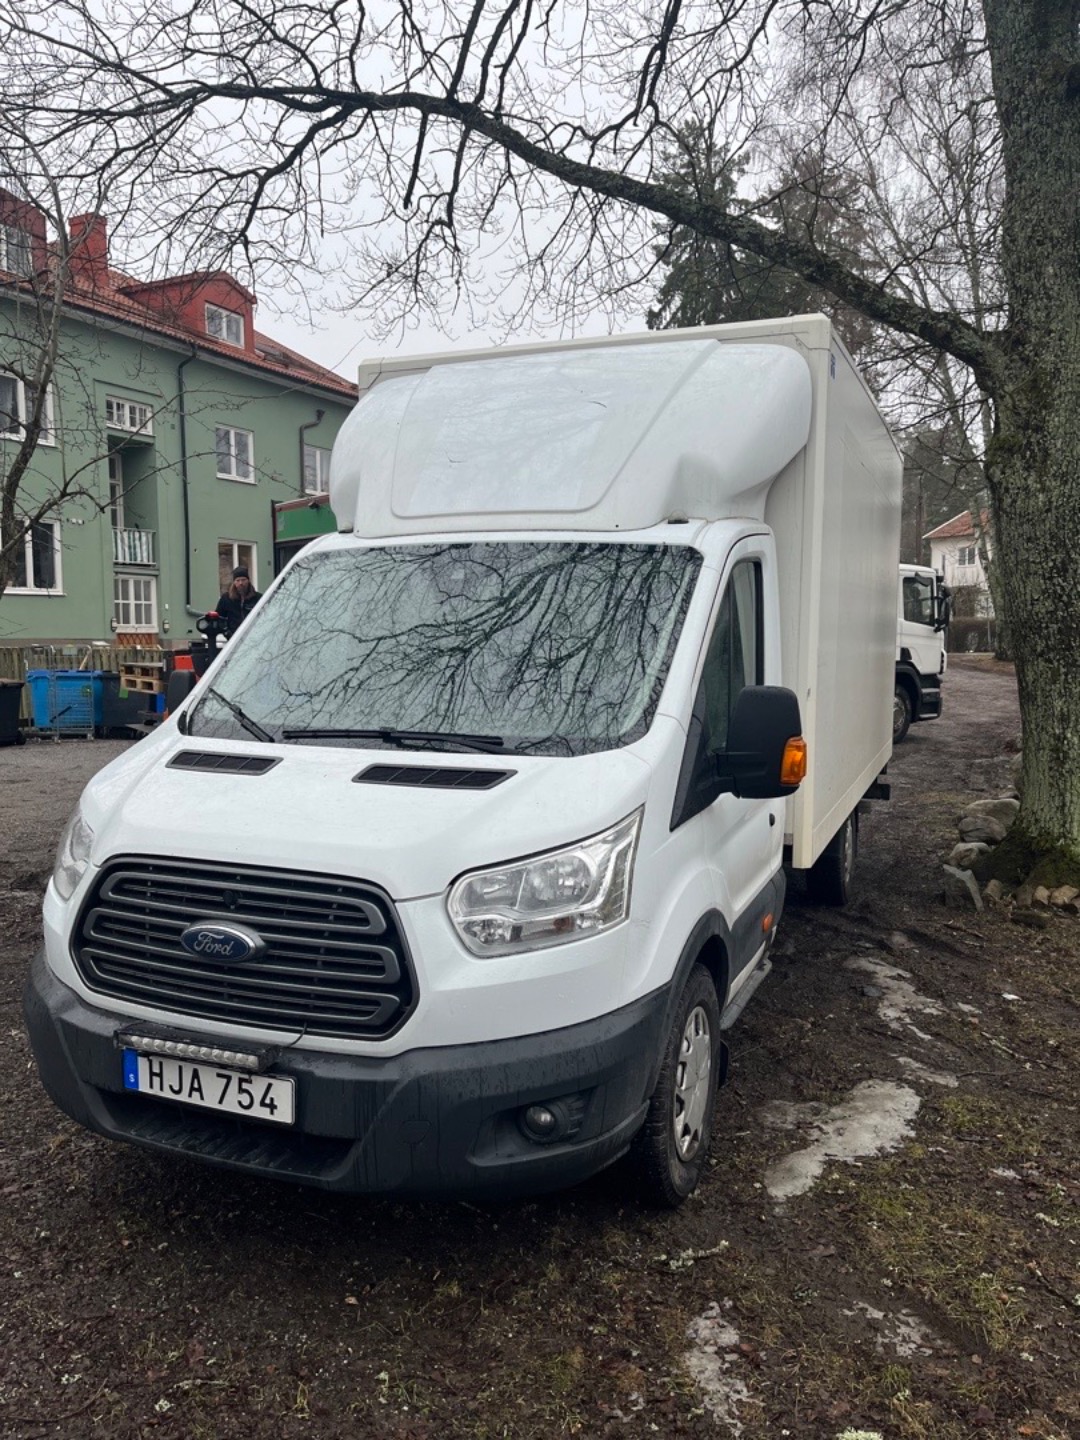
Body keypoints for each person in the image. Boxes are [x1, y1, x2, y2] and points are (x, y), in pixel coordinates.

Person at [214, 565, 262, 636]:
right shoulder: (226, 599)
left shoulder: (258, 598)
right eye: (238, 580)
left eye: (243, 580)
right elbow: (219, 618)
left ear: (248, 581)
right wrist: (226, 632)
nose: (241, 583)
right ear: (234, 582)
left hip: (254, 635)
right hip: (233, 637)